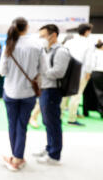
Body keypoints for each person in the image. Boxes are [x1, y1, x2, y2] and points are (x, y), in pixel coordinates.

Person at [0, 17, 42, 171]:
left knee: (12, 125)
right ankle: (18, 157)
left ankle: (16, 158)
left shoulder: (9, 46)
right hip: (29, 93)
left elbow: (2, 71)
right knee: (22, 126)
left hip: (10, 92)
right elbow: (42, 70)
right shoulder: (37, 45)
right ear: (27, 27)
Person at [34, 24, 70, 165]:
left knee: (53, 123)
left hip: (52, 91)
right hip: (45, 89)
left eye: (43, 36)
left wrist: (41, 72)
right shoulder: (46, 50)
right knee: (47, 122)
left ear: (53, 35)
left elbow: (59, 72)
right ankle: (50, 148)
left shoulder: (61, 51)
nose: (41, 38)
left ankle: (54, 155)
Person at [64, 23, 94, 126]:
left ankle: (58, 116)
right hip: (81, 72)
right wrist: (88, 72)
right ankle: (71, 119)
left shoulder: (69, 42)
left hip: (67, 72)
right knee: (76, 95)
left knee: (64, 95)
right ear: (87, 31)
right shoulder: (89, 43)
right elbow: (89, 61)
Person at [83, 41, 103, 119]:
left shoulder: (94, 53)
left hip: (91, 73)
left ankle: (86, 111)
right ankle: (101, 110)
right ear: (102, 46)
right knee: (99, 92)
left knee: (88, 93)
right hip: (100, 73)